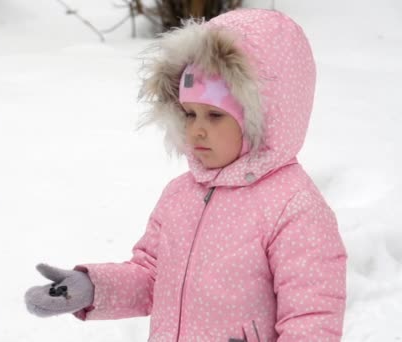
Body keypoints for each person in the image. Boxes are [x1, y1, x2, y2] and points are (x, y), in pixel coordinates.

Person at [25, 8, 347, 342]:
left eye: (214, 116)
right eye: (189, 113)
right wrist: (92, 288)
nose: (196, 130)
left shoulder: (294, 208)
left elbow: (311, 319)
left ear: (262, 118)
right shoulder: (181, 195)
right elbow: (151, 276)